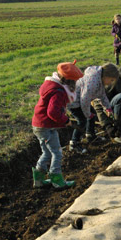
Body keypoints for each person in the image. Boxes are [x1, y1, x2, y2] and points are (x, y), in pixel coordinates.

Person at [32, 60, 83, 189]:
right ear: (70, 81)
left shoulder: (51, 85)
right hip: (46, 126)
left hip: (40, 125)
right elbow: (53, 112)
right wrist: (65, 120)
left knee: (47, 153)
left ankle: (38, 179)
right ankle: (56, 178)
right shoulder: (59, 91)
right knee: (57, 152)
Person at [69, 62, 119, 152]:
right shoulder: (92, 82)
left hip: (81, 101)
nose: (111, 83)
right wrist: (87, 114)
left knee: (92, 115)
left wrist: (108, 108)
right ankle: (74, 142)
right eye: (111, 80)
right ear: (106, 76)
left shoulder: (100, 80)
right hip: (74, 102)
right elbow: (84, 100)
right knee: (82, 121)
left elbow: (102, 96)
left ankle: (90, 135)